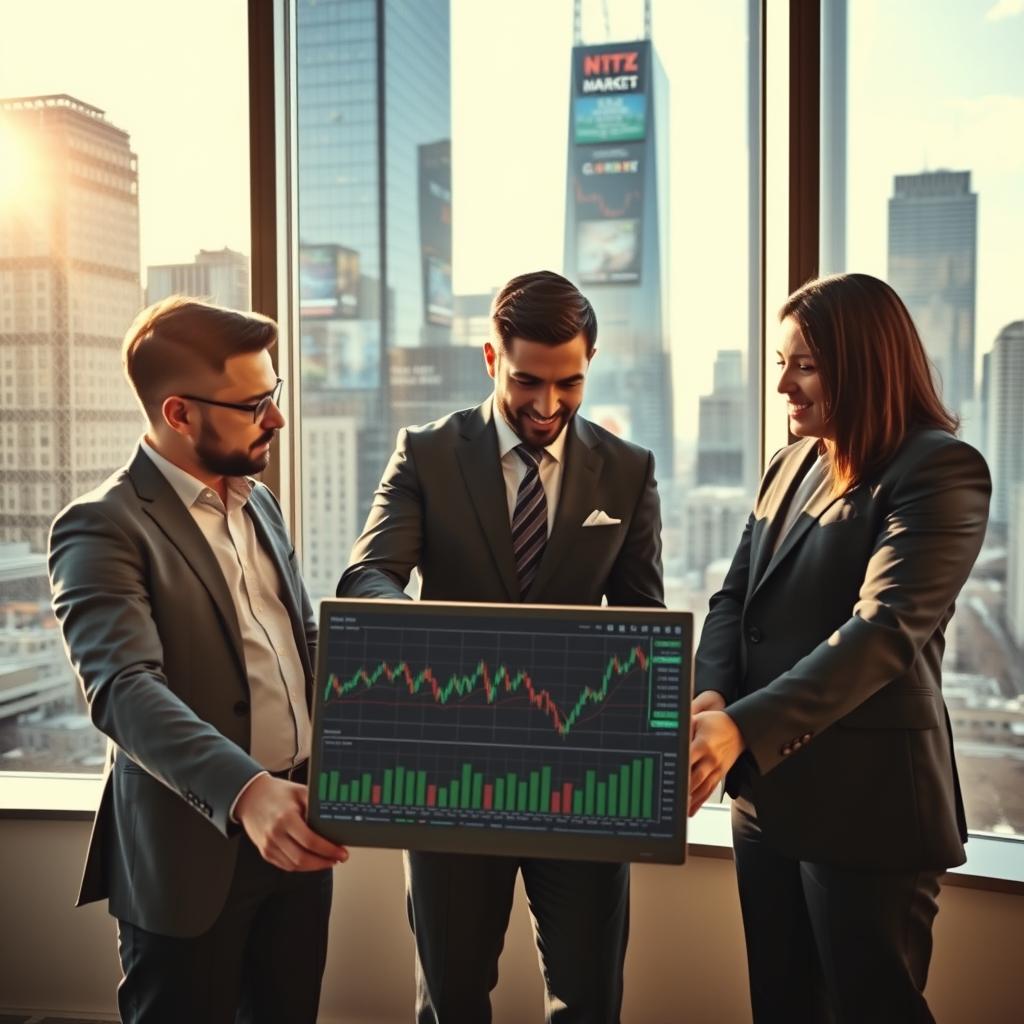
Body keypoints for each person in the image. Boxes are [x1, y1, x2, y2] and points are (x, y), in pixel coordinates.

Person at [339, 270, 664, 1023]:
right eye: (527, 381)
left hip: (582, 779)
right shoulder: (426, 453)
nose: (547, 405)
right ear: (491, 359)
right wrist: (457, 650)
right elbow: (368, 576)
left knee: (589, 1001)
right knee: (451, 998)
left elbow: (643, 618)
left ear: (589, 364)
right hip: (451, 771)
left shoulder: (628, 470)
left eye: (569, 382)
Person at [689, 273, 991, 1022]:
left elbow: (882, 634)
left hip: (869, 809)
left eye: (806, 366)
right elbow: (734, 599)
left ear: (863, 365)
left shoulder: (939, 469)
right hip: (765, 797)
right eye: (782, 363)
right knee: (781, 1005)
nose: (783, 386)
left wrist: (740, 727)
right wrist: (711, 695)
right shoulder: (790, 462)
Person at [48, 297, 349, 1023]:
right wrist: (247, 792)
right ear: (179, 413)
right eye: (253, 405)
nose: (277, 418)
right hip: (191, 851)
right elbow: (123, 689)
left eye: (273, 393)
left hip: (296, 831)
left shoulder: (260, 503)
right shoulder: (101, 525)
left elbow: (299, 643)